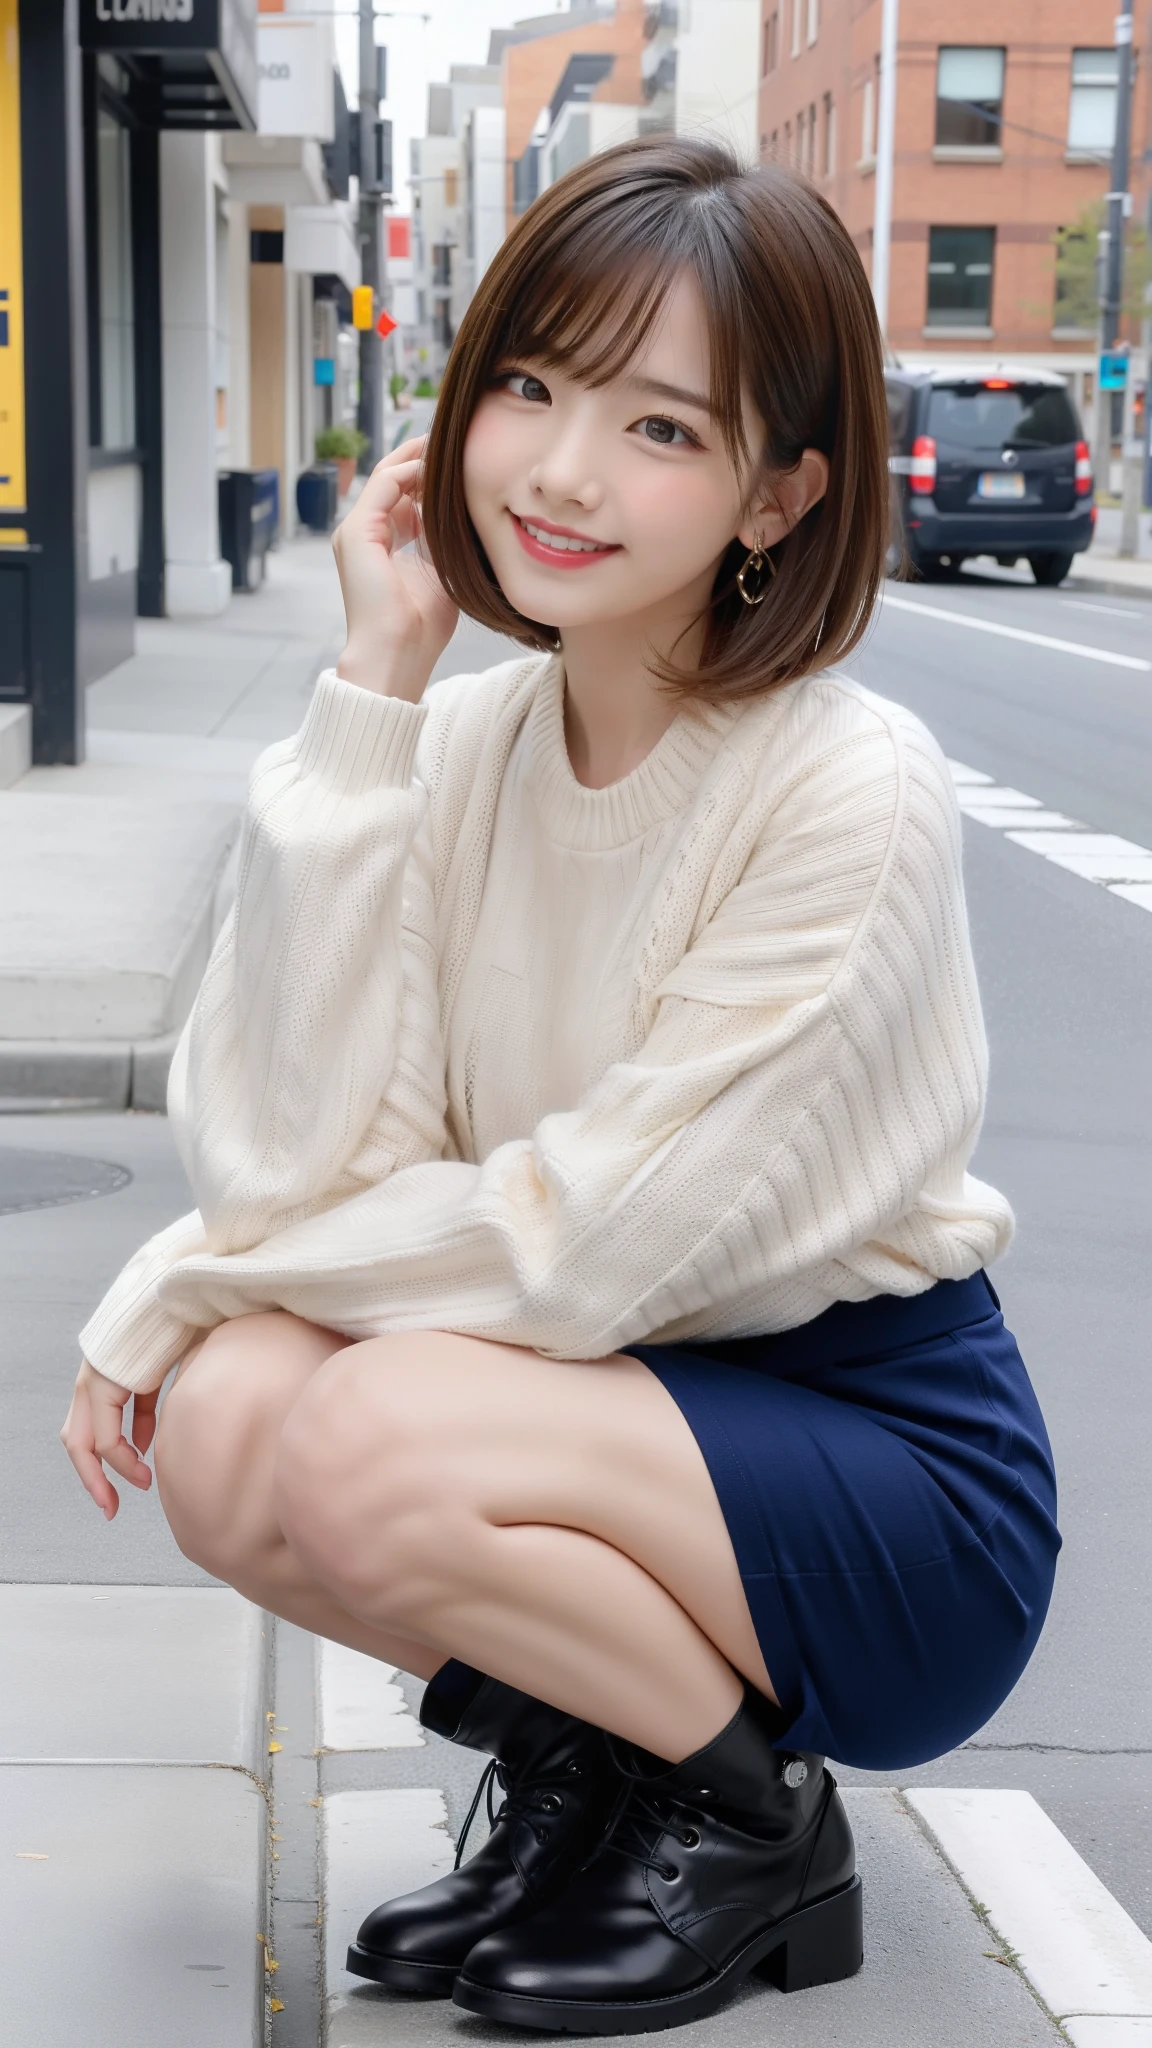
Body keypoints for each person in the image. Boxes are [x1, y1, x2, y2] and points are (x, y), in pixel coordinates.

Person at [61, 139, 1060, 2035]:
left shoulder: (848, 790)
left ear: (783, 489)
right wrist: (370, 692)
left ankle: (753, 1823)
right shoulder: (466, 745)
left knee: (358, 1429)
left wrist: (180, 1277)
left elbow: (579, 1253)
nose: (565, 469)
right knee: (228, 1424)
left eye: (661, 426)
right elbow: (289, 1157)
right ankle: (597, 1772)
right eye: (531, 384)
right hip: (585, 1402)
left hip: (877, 1462)